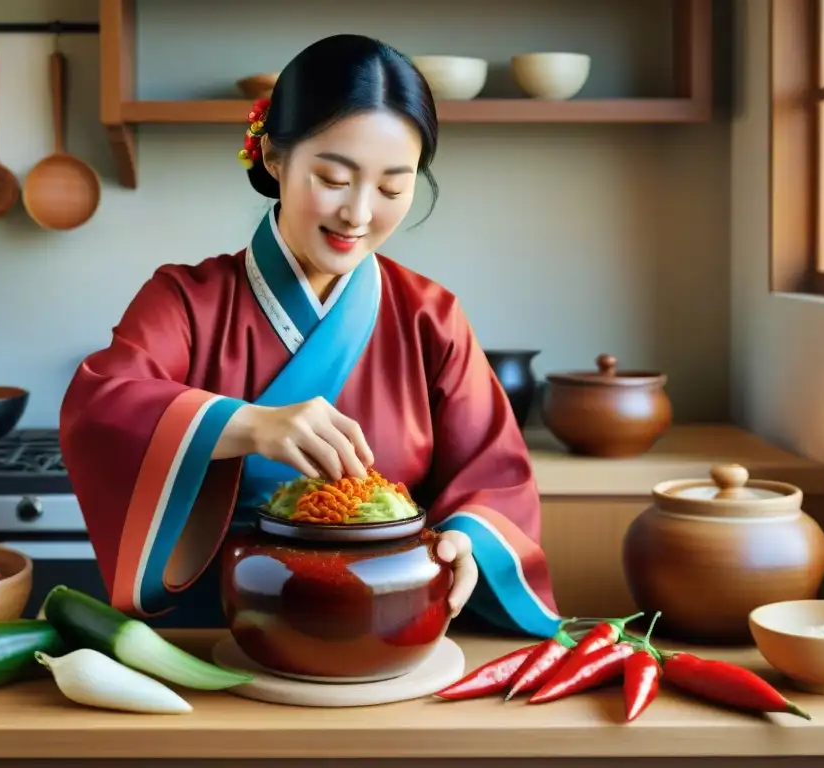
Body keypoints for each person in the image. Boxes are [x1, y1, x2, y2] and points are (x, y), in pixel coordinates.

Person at [59, 33, 561, 636]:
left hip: (387, 622)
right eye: (333, 177)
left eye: (392, 188)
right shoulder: (185, 302)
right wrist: (247, 424)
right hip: (215, 625)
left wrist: (464, 543)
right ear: (273, 157)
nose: (359, 213)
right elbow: (99, 405)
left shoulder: (430, 316)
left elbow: (493, 476)